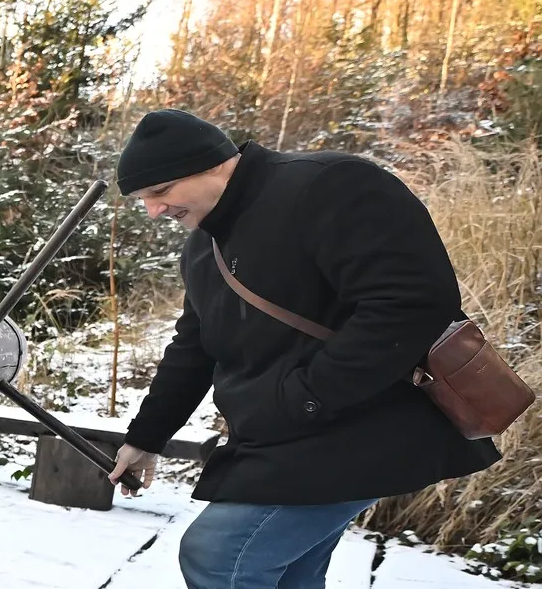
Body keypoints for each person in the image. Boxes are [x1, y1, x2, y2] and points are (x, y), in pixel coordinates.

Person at [106, 108, 501, 588]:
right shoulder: (202, 249)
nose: (153, 211)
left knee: (220, 555)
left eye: (160, 192)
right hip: (282, 437)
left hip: (364, 423)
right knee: (290, 575)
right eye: (143, 199)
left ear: (211, 163)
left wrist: (305, 396)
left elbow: (411, 304)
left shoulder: (330, 186)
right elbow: (194, 347)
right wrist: (147, 437)